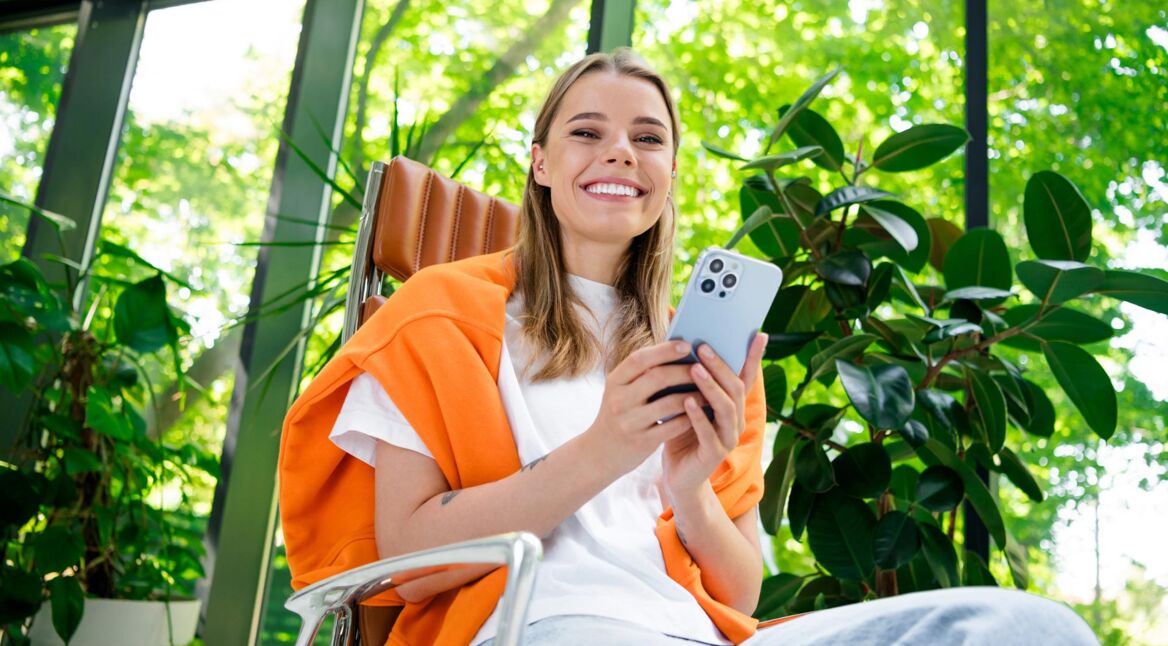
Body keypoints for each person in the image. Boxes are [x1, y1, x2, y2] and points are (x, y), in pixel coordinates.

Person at [280, 49, 1099, 646]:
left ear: (668, 173)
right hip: (543, 623)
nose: (620, 151)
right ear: (540, 164)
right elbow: (411, 560)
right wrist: (602, 450)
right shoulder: (438, 314)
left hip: (696, 632)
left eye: (649, 138)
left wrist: (689, 484)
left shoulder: (701, 351)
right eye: (587, 131)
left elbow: (740, 590)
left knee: (1029, 627)